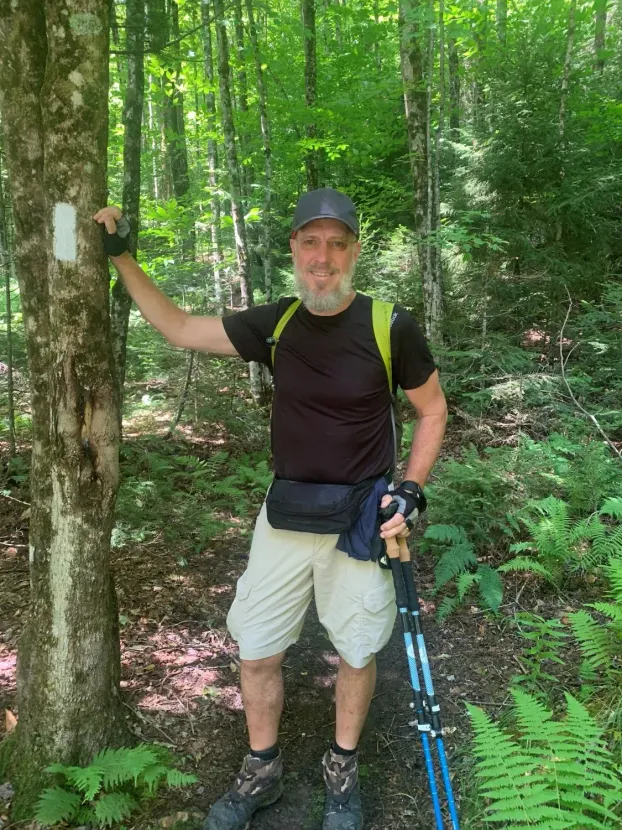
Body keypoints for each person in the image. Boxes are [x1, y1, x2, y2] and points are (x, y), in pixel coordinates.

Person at [94, 188, 447, 830]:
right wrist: (120, 255)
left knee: (358, 652)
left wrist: (411, 489)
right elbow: (177, 327)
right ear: (293, 249)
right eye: (310, 242)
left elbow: (432, 408)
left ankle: (342, 771)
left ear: (354, 251)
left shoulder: (390, 325)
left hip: (363, 520)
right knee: (256, 649)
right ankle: (262, 768)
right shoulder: (275, 324)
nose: (323, 257)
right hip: (285, 516)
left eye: (336, 243)